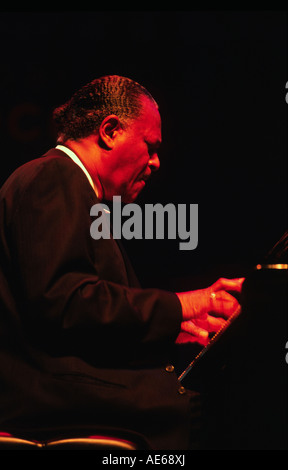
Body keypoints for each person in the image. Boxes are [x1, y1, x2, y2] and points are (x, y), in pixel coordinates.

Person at [0, 75, 243, 450]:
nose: (157, 162)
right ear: (110, 131)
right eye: (150, 146)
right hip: (55, 402)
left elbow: (80, 314)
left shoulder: (74, 193)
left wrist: (171, 326)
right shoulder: (53, 176)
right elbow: (63, 300)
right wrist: (182, 304)